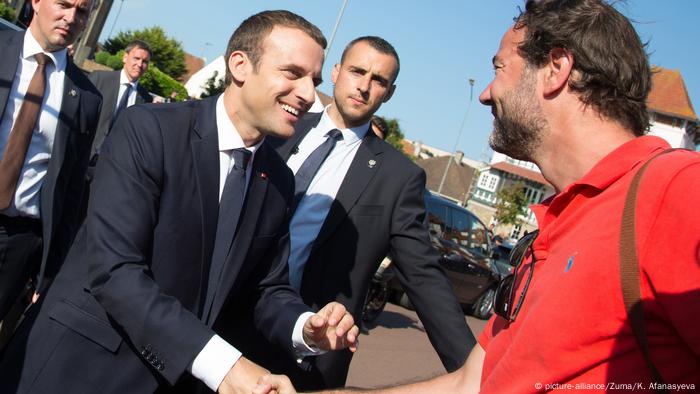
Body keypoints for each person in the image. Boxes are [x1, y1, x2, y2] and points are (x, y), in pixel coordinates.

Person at [254, 0, 700, 393]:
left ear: (557, 70)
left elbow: (426, 283)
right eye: (356, 71)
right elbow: (477, 381)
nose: (486, 94)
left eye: (499, 69)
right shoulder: (555, 226)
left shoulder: (678, 191)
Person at [0, 10, 359, 393]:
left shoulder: (279, 180)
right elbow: (116, 270)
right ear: (239, 65)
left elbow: (266, 287)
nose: (309, 95)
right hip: (80, 371)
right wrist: (226, 366)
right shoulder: (150, 130)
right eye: (292, 73)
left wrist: (304, 327)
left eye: (314, 81)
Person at [233, 35, 474, 391]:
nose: (363, 86)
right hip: (226, 320)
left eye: (378, 80)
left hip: (309, 349)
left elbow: (423, 277)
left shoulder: (398, 178)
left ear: (389, 93)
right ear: (335, 72)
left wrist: (477, 370)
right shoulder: (279, 127)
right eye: (357, 71)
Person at [0, 0, 101, 322]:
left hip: (18, 242)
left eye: (82, 12)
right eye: (63, 4)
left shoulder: (86, 96)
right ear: (37, 2)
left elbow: (71, 188)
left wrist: (49, 270)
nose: (71, 18)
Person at [88, 39, 153, 167]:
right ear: (125, 57)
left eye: (145, 61)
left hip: (113, 166)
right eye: (136, 58)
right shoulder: (99, 79)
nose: (140, 64)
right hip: (84, 157)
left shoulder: (145, 99)